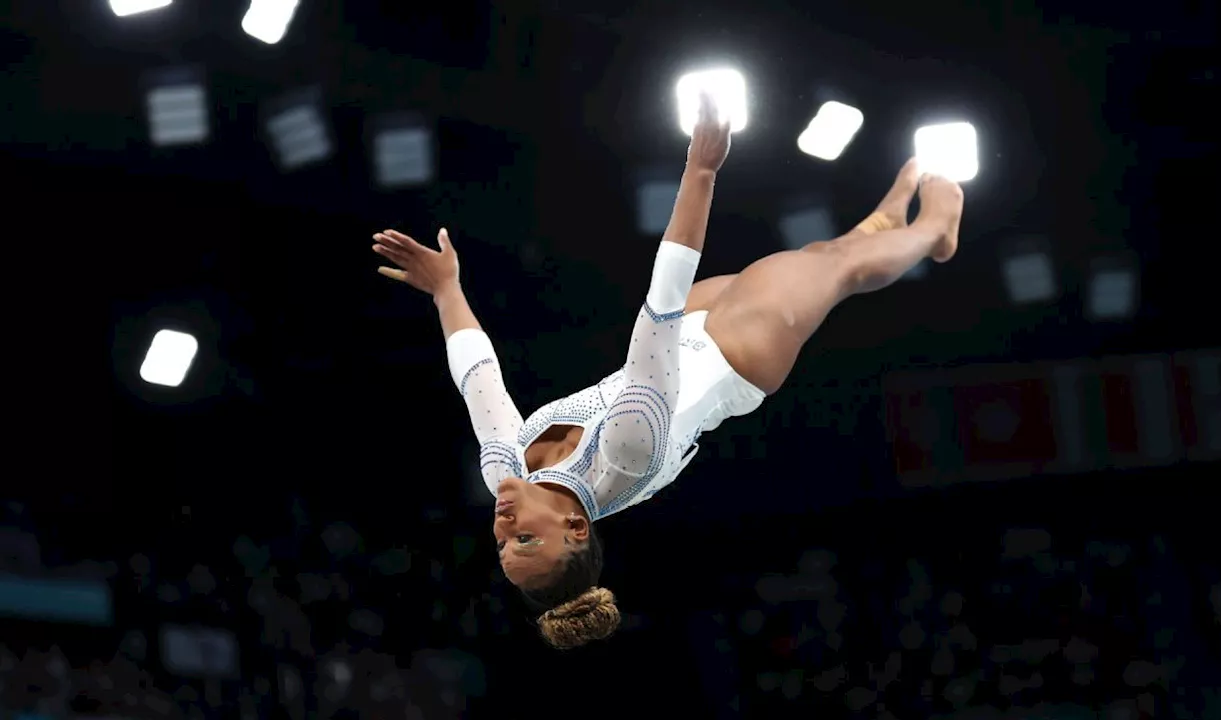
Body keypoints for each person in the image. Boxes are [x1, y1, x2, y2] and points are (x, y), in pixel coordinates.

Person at [370, 95, 964, 649]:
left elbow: (478, 379)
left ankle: (885, 224)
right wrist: (700, 171)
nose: (504, 525)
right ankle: (937, 228)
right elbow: (659, 304)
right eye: (526, 537)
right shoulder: (628, 453)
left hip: (689, 334)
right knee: (837, 270)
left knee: (818, 261)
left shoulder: (506, 473)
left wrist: (446, 289)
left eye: (502, 543)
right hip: (740, 355)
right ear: (576, 526)